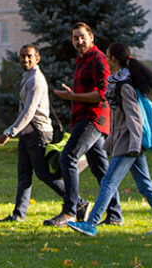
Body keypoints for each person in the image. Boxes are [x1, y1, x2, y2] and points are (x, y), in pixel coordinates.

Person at [67, 43, 152, 237]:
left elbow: (135, 118)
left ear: (114, 59)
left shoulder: (124, 85)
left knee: (108, 182)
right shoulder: (120, 82)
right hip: (129, 142)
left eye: (109, 56)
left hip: (130, 143)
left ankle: (91, 224)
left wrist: (134, 145)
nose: (107, 59)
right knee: (145, 185)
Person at [44, 22, 122, 227]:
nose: (79, 41)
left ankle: (70, 210)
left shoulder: (98, 60)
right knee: (100, 169)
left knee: (68, 157)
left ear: (91, 37)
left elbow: (105, 93)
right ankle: (115, 214)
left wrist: (74, 95)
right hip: (84, 117)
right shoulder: (82, 61)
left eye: (82, 37)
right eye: (75, 38)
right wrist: (73, 96)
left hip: (93, 118)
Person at [0, 44, 69, 223]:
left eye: (29, 56)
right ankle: (18, 215)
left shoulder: (36, 79)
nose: (25, 59)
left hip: (38, 134)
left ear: (37, 58)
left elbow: (29, 112)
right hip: (27, 135)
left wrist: (9, 133)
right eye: (22, 56)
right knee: (24, 175)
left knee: (43, 174)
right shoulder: (28, 77)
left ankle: (77, 202)